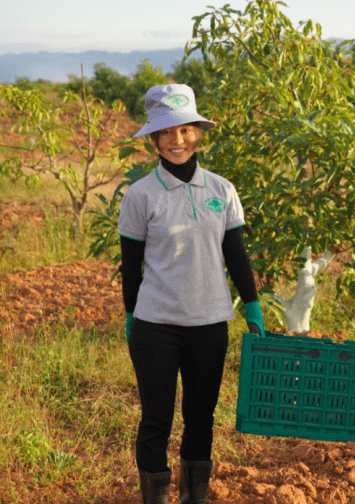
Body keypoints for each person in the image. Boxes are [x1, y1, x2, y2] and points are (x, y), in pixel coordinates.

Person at [118, 84, 265, 504]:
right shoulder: (140, 195)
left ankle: (194, 498)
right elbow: (131, 265)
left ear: (198, 132)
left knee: (200, 418)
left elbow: (235, 255)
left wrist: (252, 304)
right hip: (156, 325)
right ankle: (156, 499)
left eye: (185, 131)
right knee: (156, 421)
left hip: (209, 324)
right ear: (154, 139)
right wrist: (132, 315)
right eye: (166, 133)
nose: (177, 141)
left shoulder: (222, 190)